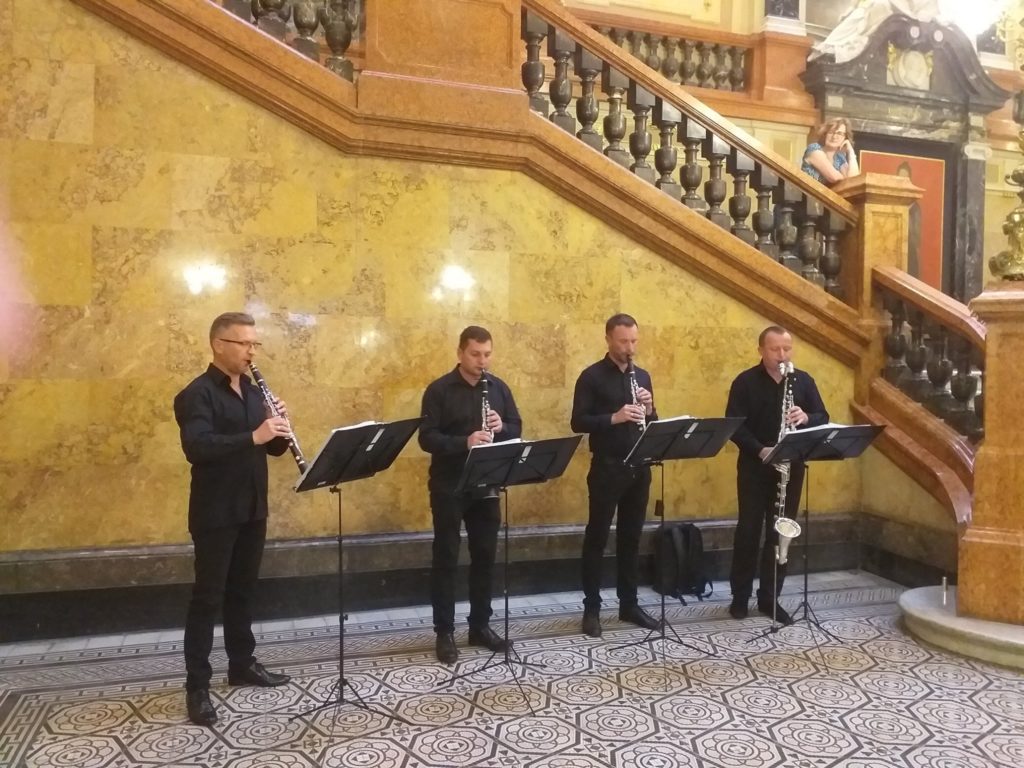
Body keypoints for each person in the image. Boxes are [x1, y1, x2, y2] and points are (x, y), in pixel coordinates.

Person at [173, 312, 293, 727]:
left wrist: (279, 428)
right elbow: (198, 447)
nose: (251, 352)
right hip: (216, 511)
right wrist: (254, 435)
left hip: (252, 506)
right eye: (244, 344)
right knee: (207, 599)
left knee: (243, 591)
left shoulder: (256, 393)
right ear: (218, 344)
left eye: (254, 344)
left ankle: (242, 663)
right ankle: (197, 687)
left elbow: (272, 450)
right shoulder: (196, 395)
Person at [419, 325, 523, 664]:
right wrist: (465, 441)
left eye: (487, 354)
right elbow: (426, 438)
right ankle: (444, 632)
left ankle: (480, 625)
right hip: (449, 485)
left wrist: (502, 427)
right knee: (446, 557)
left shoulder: (498, 388)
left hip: (486, 485)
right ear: (460, 353)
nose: (482, 361)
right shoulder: (439, 390)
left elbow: (517, 427)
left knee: (485, 557)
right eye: (476, 354)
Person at [725, 326, 830, 625]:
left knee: (781, 532)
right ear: (761, 350)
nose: (782, 355)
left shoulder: (803, 381)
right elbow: (735, 426)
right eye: (775, 349)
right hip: (755, 467)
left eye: (787, 349)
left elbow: (823, 416)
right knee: (748, 531)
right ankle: (740, 598)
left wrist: (806, 417)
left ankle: (770, 598)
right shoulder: (745, 382)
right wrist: (761, 450)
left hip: (791, 468)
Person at [571, 313, 661, 638]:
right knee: (597, 538)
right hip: (607, 468)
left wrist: (649, 410)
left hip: (639, 468)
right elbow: (578, 422)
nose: (630, 348)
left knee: (631, 538)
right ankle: (592, 609)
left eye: (634, 341)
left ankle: (629, 604)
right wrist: (615, 417)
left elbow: (653, 424)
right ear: (608, 339)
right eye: (623, 341)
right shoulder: (591, 377)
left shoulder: (643, 376)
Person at [801, 118, 860, 185]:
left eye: (839, 133)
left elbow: (854, 182)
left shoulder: (839, 158)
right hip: (807, 191)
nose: (834, 136)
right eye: (831, 132)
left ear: (845, 138)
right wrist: (845, 179)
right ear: (825, 134)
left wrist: (851, 152)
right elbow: (835, 178)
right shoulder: (814, 149)